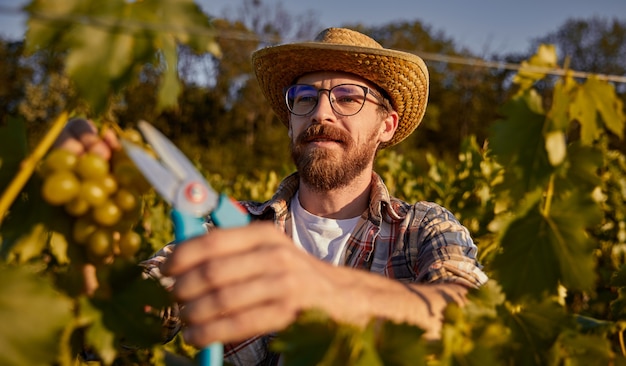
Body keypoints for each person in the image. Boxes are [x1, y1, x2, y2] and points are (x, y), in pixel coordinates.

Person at [57, 28, 488, 365]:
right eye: (304, 97)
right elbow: (115, 327)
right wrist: (85, 233)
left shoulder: (423, 229)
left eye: (347, 97)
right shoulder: (226, 231)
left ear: (387, 126)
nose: (321, 112)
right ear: (289, 120)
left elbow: (471, 316)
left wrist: (325, 290)